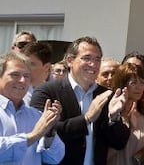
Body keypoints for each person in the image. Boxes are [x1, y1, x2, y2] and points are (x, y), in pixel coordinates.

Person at [30, 36, 130, 165]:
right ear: (70, 60)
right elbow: (43, 133)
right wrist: (86, 119)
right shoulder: (47, 92)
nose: (93, 65)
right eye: (87, 58)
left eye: (97, 59)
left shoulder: (105, 95)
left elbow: (119, 143)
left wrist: (114, 118)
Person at [0, 51, 64, 165]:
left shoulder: (37, 116)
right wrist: (34, 135)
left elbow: (55, 158)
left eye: (26, 76)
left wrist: (49, 130)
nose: (22, 81)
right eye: (15, 75)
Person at [107, 63, 144, 165]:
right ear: (121, 84)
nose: (139, 87)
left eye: (142, 82)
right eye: (133, 83)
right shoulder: (107, 111)